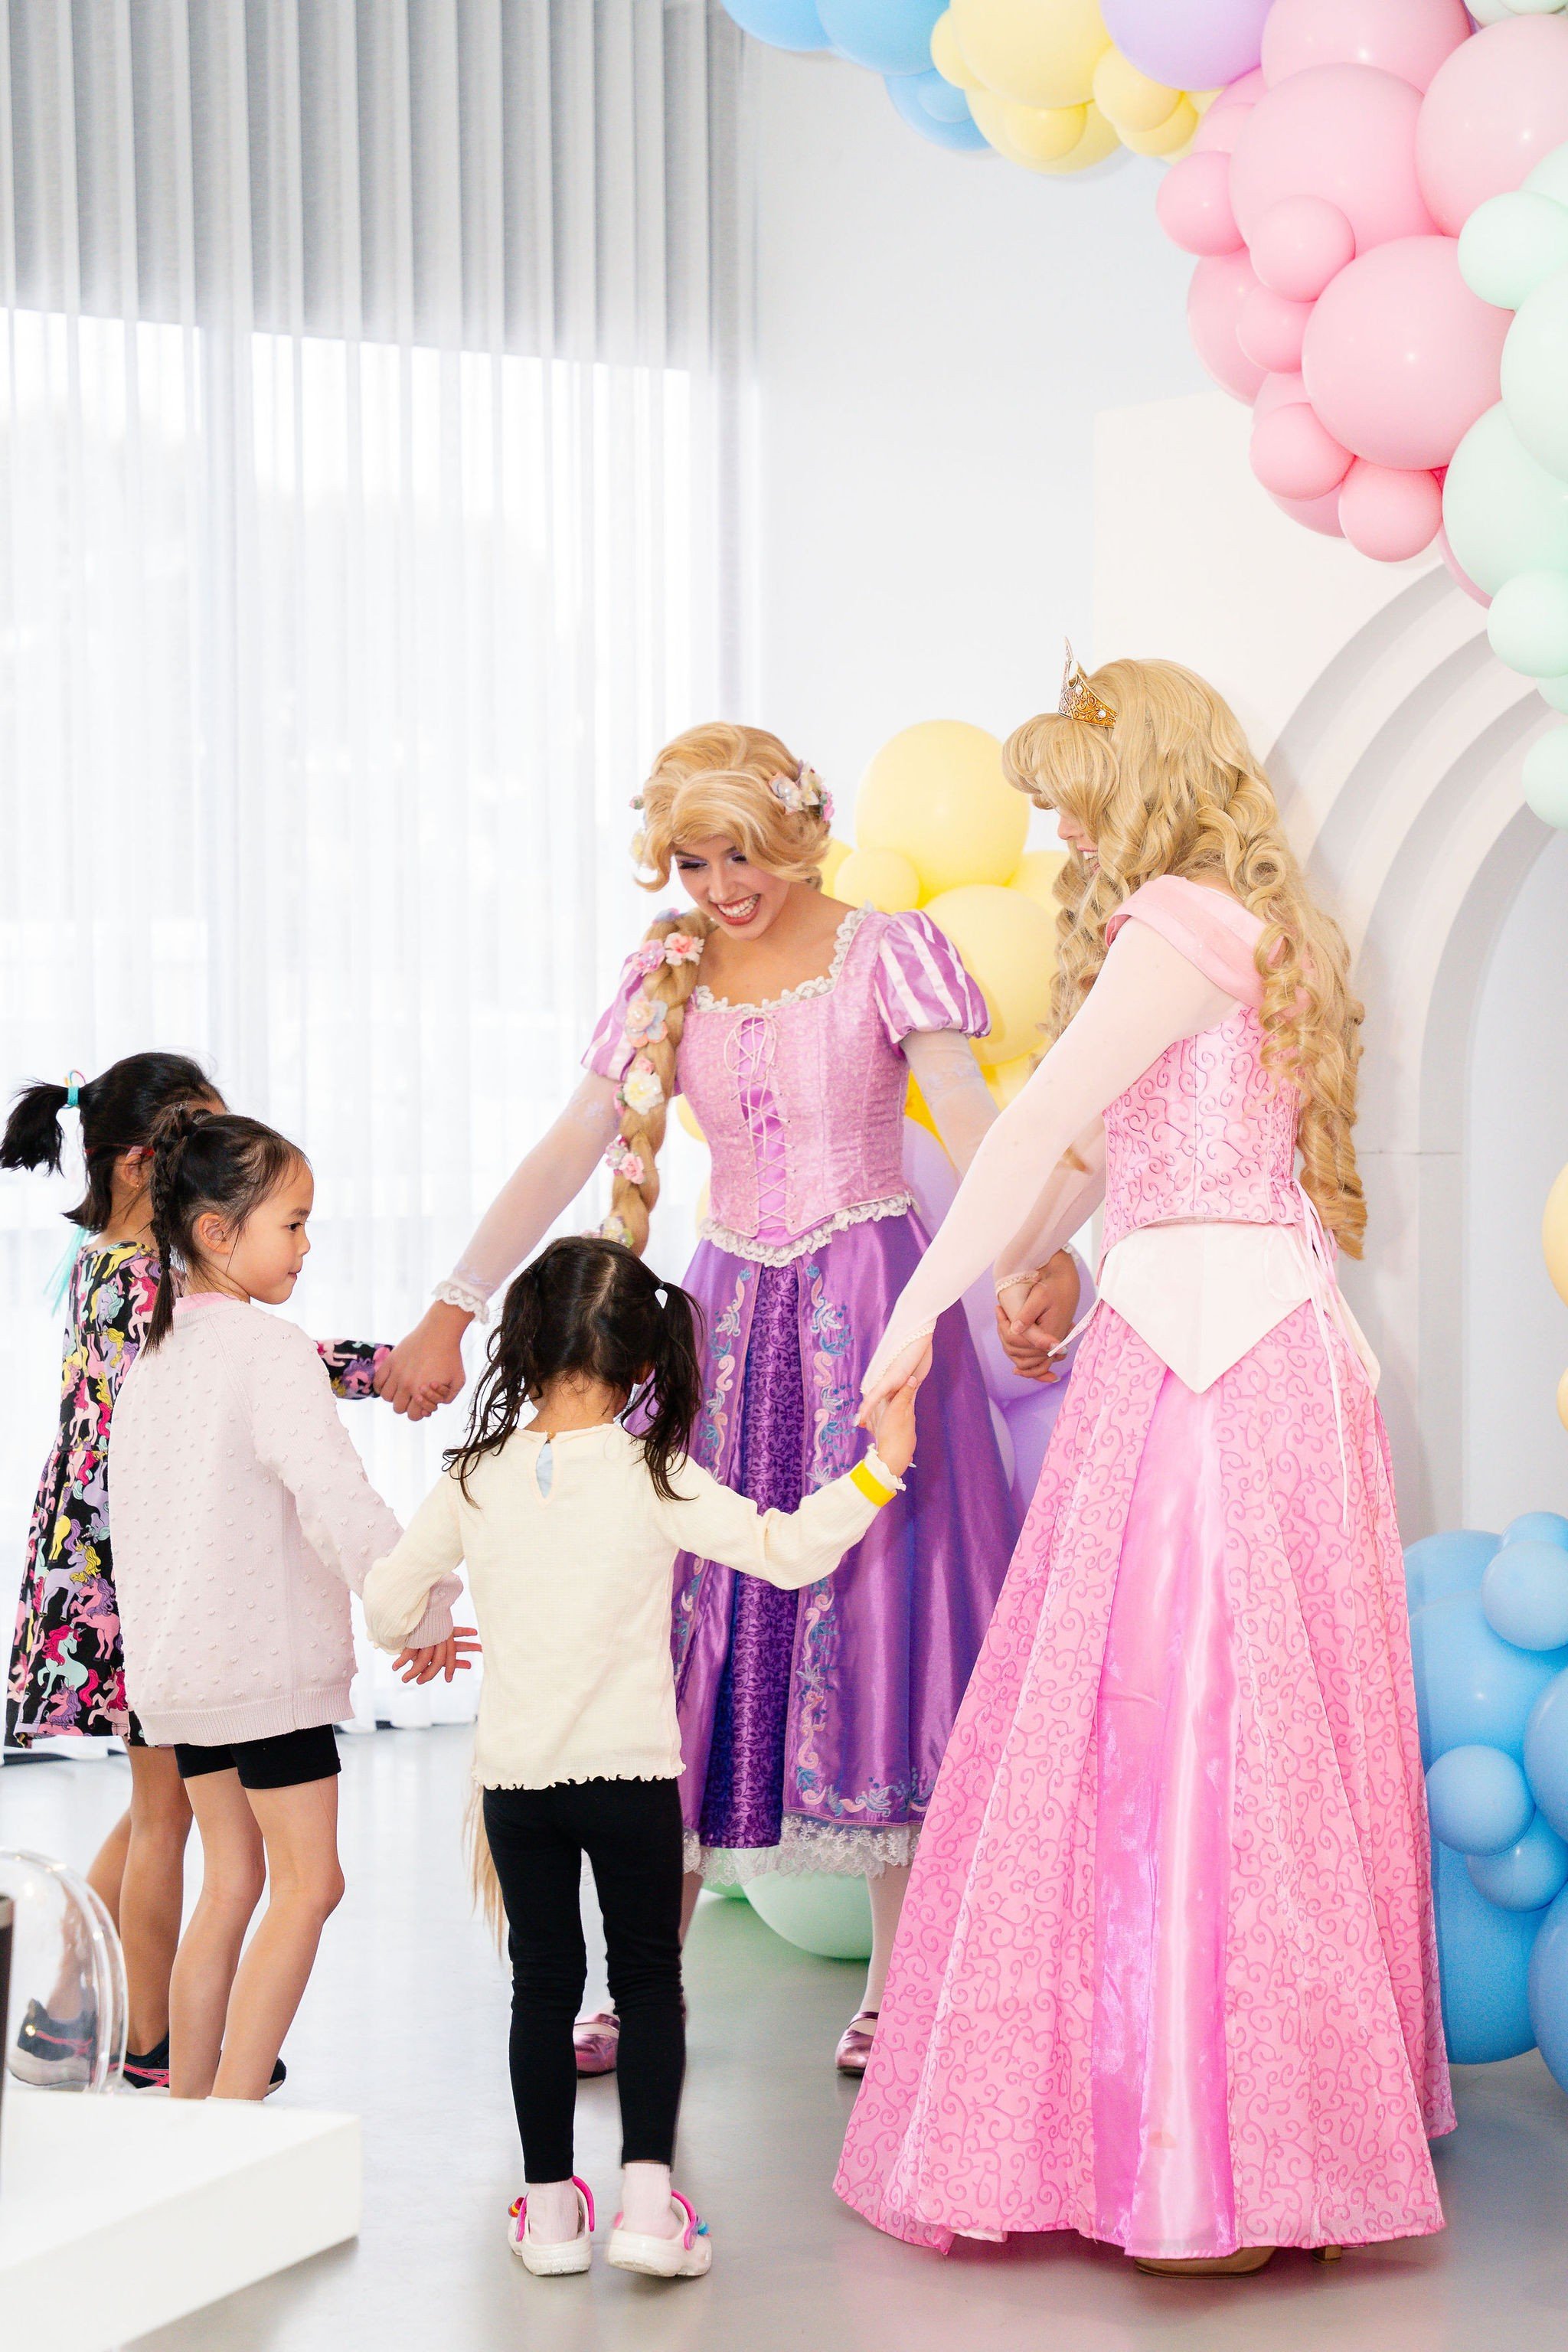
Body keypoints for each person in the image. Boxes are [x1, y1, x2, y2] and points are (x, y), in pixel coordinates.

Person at [835, 655, 1451, 2275]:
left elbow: (1036, 1125)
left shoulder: (1169, 923)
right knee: (1245, 1738)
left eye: (1073, 797)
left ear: (1142, 783)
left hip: (1206, 1368)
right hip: (1249, 1339)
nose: (1058, 828)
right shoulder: (1241, 926)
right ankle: (1264, 2150)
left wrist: (911, 1316)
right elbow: (1113, 1153)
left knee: (1193, 1736)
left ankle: (1205, 2169)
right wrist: (1033, 1260)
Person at [377, 723, 1060, 2073]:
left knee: (889, 1606)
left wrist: (1036, 1262)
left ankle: (897, 1985)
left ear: (796, 832)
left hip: (875, 1304)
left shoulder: (886, 951)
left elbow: (977, 1129)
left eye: (741, 854)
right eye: (693, 861)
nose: (721, 886)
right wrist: (452, 1304)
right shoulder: (664, 975)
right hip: (723, 1327)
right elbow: (569, 1148)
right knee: (682, 1622)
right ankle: (647, 1978)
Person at [364, 1234, 919, 2278]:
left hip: (518, 1788)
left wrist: (431, 1617)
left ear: (524, 1344)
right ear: (642, 1360)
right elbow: (787, 1549)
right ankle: (650, 2212)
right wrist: (881, 1464)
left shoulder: (473, 1481)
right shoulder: (653, 1474)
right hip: (630, 1782)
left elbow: (388, 1605)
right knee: (650, 1982)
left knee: (542, 1987)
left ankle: (548, 2216)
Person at [2, 1059, 394, 2094]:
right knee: (165, 1813)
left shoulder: (111, 1262)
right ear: (147, 1165)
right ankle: (142, 2040)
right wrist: (380, 1367)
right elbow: (261, 1364)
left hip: (124, 1550)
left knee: (167, 1809)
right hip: (126, 1565)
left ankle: (86, 2014)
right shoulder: (143, 1280)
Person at [109, 1106, 475, 2101]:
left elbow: (135, 1528)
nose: (308, 1247)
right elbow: (336, 1500)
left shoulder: (151, 1361)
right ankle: (233, 2120)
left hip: (181, 1680)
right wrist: (420, 1608)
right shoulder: (267, 1351)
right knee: (312, 1884)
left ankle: (189, 2112)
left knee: (230, 1885)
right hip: (263, 1676)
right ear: (217, 1232)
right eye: (294, 1224)